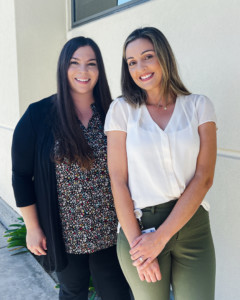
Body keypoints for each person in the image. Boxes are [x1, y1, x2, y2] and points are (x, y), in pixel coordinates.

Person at [11, 36, 131, 300]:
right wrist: (32, 228)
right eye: (75, 63)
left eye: (92, 64)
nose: (83, 71)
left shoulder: (114, 111)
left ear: (100, 70)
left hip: (111, 231)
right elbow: (21, 176)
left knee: (118, 294)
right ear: (63, 67)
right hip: (65, 233)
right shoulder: (39, 115)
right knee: (72, 292)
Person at [105, 27, 216, 300]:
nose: (139, 67)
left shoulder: (199, 106)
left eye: (147, 57)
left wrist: (162, 238)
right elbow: (117, 179)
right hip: (140, 228)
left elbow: (204, 177)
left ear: (164, 57)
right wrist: (140, 246)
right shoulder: (121, 110)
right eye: (131, 62)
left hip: (192, 226)